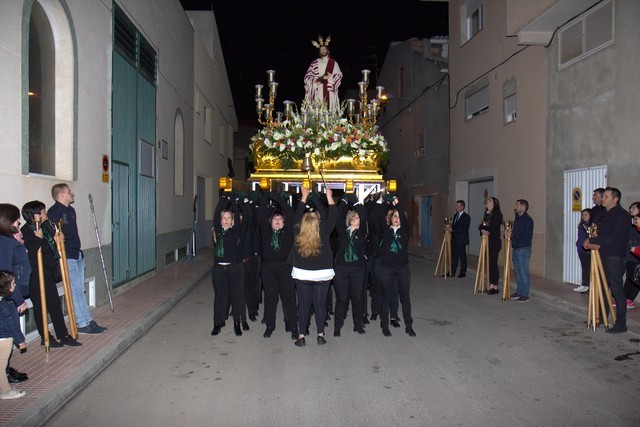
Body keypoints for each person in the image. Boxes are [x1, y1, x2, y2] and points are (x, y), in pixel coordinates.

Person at [21, 201, 81, 348]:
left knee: (54, 304)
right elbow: (30, 253)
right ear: (36, 215)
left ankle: (63, 335)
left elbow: (51, 244)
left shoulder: (46, 227)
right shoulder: (27, 231)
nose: (45, 213)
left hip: (48, 272)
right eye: (43, 211)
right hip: (36, 275)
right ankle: (46, 337)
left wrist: (57, 239)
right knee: (40, 306)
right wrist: (38, 238)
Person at [48, 184, 106, 334]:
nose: (72, 194)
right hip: (67, 256)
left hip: (77, 254)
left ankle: (88, 319)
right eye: (69, 192)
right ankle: (81, 323)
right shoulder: (54, 212)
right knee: (76, 290)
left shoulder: (71, 211)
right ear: (61, 195)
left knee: (81, 290)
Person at [289, 186, 336, 347]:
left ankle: (301, 336)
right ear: (318, 222)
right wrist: (326, 196)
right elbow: (331, 215)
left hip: (302, 275)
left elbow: (296, 215)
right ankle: (320, 334)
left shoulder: (297, 231)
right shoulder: (324, 230)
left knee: (303, 305)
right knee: (320, 305)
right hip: (322, 275)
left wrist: (304, 196)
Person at [583, 187, 629, 333]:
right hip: (601, 255)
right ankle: (602, 316)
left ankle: (621, 323)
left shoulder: (622, 216)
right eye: (603, 196)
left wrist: (592, 239)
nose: (603, 199)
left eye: (606, 197)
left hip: (614, 256)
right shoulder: (603, 214)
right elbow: (597, 230)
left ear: (615, 199)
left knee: (616, 290)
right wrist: (589, 238)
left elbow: (612, 237)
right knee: (601, 287)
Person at [258, 190, 297, 339]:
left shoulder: (287, 232)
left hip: (285, 268)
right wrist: (266, 196)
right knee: (270, 298)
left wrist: (279, 199)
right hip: (268, 269)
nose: (277, 221)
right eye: (275, 219)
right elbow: (262, 213)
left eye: (280, 218)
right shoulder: (266, 231)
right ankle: (270, 326)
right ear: (270, 221)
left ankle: (293, 327)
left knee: (289, 298)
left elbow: (290, 213)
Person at [376, 196, 415, 337]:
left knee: (405, 297)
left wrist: (396, 202)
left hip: (403, 268)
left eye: (399, 216)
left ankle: (409, 325)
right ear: (390, 219)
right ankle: (385, 325)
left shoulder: (404, 231)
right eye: (394, 216)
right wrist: (381, 200)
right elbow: (379, 213)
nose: (397, 219)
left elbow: (402, 214)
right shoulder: (385, 231)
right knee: (386, 296)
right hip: (387, 268)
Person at [211, 195, 249, 337]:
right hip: (219, 269)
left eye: (229, 218)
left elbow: (239, 219)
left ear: (232, 220)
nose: (226, 220)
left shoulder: (235, 231)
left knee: (236, 296)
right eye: (224, 218)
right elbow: (215, 215)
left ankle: (237, 323)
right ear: (220, 221)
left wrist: (233, 200)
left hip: (234, 268)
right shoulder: (218, 232)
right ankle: (217, 323)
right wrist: (223, 200)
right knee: (220, 296)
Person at [0, 204, 29, 384]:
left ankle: (5, 369)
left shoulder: (8, 240)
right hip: (7, 297)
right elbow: (6, 274)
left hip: (9, 294)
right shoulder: (4, 243)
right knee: (6, 334)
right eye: (17, 218)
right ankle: (4, 373)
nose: (19, 221)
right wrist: (17, 299)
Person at [333, 194, 368, 337]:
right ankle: (337, 326)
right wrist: (343, 201)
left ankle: (358, 325)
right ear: (349, 219)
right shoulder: (342, 232)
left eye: (357, 217)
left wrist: (355, 200)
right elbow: (338, 216)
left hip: (357, 270)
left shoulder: (362, 232)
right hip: (341, 269)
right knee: (341, 299)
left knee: (357, 298)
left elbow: (365, 216)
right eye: (353, 217)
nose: (355, 219)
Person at [0, 271, 26, 400]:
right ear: (7, 287)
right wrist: (20, 341)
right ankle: (6, 391)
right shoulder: (7, 305)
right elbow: (13, 326)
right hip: (4, 338)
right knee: (1, 365)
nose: (15, 286)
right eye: (13, 283)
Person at [304, 36, 342, 114]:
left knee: (329, 111)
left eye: (324, 49)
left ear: (327, 51)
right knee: (318, 112)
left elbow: (339, 75)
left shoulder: (333, 63)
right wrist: (316, 80)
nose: (323, 51)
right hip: (318, 90)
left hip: (329, 90)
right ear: (319, 52)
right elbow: (308, 77)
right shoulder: (314, 63)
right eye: (321, 50)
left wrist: (331, 77)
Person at [506, 199, 534, 302]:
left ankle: (525, 294)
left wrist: (512, 235)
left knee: (523, 271)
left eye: (517, 205)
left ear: (523, 207)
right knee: (517, 271)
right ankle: (519, 291)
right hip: (516, 247)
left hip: (523, 248)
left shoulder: (528, 220)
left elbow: (526, 236)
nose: (515, 207)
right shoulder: (517, 218)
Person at [479, 197, 503, 295]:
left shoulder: (497, 214)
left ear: (495, 204)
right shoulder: (487, 214)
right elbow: (481, 225)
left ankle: (495, 286)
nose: (487, 203)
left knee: (493, 263)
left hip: (494, 242)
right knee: (488, 263)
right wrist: (482, 229)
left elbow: (493, 227)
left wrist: (485, 229)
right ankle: (490, 284)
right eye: (487, 201)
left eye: (489, 201)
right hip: (487, 241)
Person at [622, 202, 640, 309]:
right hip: (630, 253)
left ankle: (629, 299)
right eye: (630, 208)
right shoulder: (631, 222)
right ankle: (625, 297)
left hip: (636, 254)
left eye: (633, 208)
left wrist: (635, 248)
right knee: (630, 275)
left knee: (635, 276)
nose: (631, 210)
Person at [448, 200, 470, 278]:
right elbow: (454, 226)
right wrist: (449, 228)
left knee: (462, 256)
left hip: (461, 239)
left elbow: (464, 228)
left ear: (462, 207)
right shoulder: (455, 215)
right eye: (456, 206)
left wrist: (453, 230)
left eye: (457, 206)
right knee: (454, 256)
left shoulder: (466, 217)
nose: (456, 207)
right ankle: (452, 271)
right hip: (454, 239)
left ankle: (463, 272)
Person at [573, 208, 591, 293]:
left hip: (587, 250)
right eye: (583, 215)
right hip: (581, 249)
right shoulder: (582, 225)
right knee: (584, 267)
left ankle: (587, 285)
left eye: (586, 214)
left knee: (588, 268)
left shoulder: (590, 226)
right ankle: (584, 284)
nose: (584, 216)